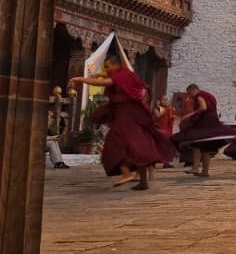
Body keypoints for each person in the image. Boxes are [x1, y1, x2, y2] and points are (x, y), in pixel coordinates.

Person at [69, 54, 174, 191]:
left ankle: (127, 173)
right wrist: (98, 75)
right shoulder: (126, 74)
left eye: (108, 67)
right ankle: (143, 182)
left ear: (115, 65)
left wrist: (79, 79)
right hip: (134, 116)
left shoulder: (120, 76)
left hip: (127, 116)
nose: (106, 70)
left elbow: (105, 82)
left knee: (116, 144)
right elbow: (106, 76)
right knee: (139, 148)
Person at [176, 84, 236, 178]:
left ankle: (195, 167)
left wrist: (190, 115)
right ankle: (205, 172)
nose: (190, 96)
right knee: (206, 148)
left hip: (205, 123)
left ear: (193, 90)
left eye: (190, 93)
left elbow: (203, 107)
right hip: (213, 121)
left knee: (196, 143)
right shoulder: (209, 95)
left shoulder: (199, 95)